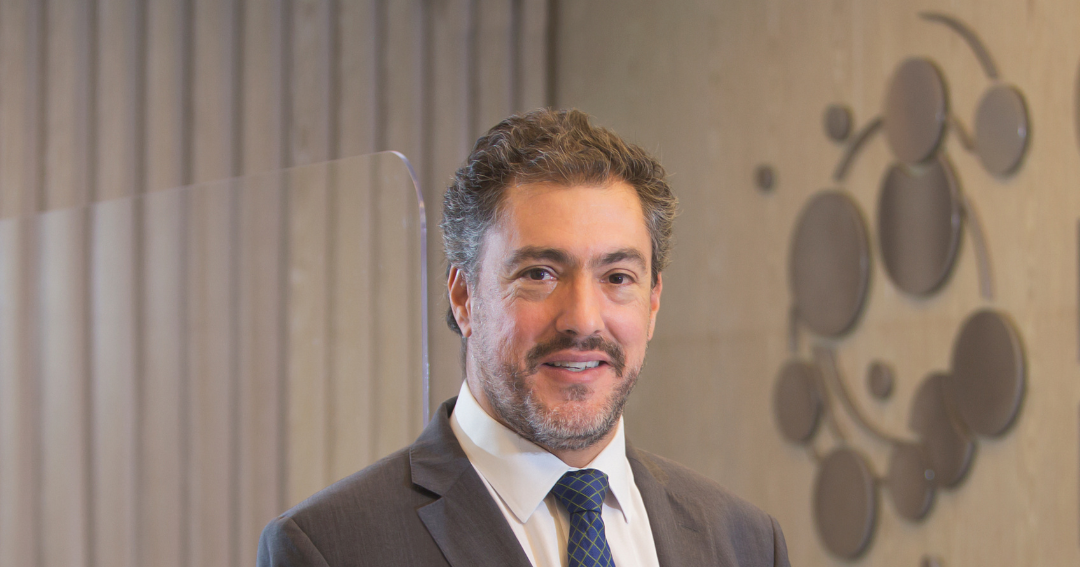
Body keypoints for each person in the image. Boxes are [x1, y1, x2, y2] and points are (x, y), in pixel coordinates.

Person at [257, 109, 790, 567]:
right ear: (464, 296)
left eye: (617, 277)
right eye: (539, 274)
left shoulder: (744, 542)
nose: (583, 320)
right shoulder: (331, 548)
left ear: (652, 302)